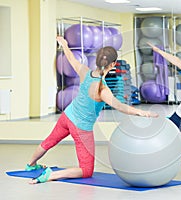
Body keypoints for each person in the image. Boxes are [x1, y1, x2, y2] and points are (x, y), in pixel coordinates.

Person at [26, 37, 158, 184]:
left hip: (67, 116)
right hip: (81, 128)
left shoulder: (85, 72)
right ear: (113, 64)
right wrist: (143, 112)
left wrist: (65, 45)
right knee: (86, 171)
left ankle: (30, 164)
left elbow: (71, 59)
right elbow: (120, 106)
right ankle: (51, 175)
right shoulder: (102, 88)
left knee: (49, 141)